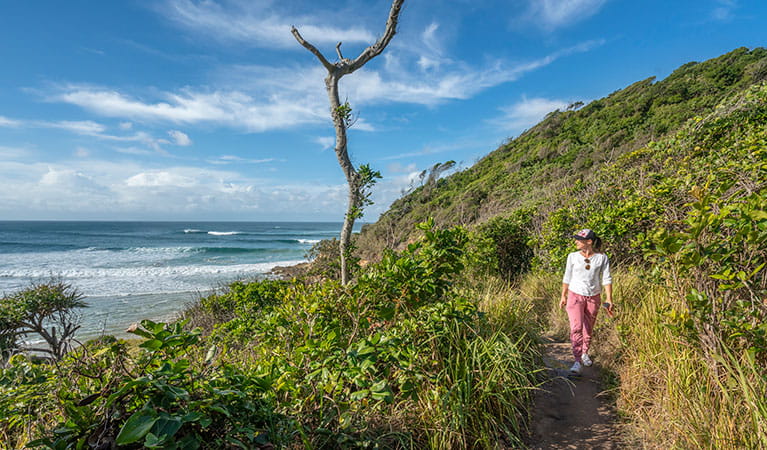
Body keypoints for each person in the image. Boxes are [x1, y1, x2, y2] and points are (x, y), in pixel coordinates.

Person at [559, 229, 613, 375]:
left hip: (593, 296)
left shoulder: (602, 258)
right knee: (576, 327)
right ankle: (577, 361)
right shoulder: (572, 256)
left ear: (589, 242)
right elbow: (567, 277)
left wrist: (609, 298)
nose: (575, 242)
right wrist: (563, 295)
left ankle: (584, 353)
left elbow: (606, 278)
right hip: (575, 295)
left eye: (578, 239)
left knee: (588, 328)